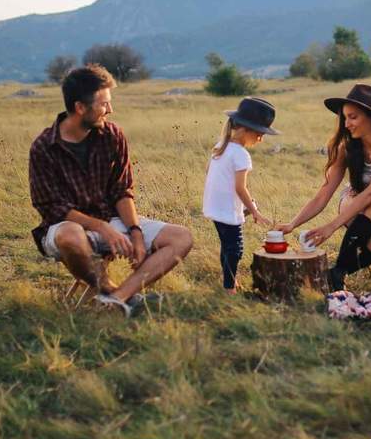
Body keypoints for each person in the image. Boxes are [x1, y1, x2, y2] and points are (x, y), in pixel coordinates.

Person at [28, 64, 193, 316]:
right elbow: (52, 207)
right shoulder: (43, 147)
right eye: (103, 104)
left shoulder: (112, 135)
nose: (110, 110)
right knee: (72, 234)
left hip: (112, 221)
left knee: (182, 237)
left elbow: (122, 189)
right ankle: (108, 288)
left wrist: (136, 233)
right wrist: (101, 227)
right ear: (80, 108)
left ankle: (118, 297)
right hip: (64, 227)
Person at [276, 84, 371, 291]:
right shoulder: (347, 147)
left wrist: (331, 226)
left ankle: (336, 272)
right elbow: (324, 193)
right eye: (345, 118)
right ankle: (336, 275)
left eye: (353, 117)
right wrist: (292, 224)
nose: (346, 124)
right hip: (358, 206)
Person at [202, 97, 278, 294]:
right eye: (260, 134)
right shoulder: (241, 154)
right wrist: (254, 211)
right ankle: (229, 288)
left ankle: (230, 281)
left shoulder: (221, 145)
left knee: (227, 247)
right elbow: (240, 188)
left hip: (214, 207)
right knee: (236, 249)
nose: (261, 139)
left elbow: (211, 173)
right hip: (227, 211)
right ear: (246, 129)